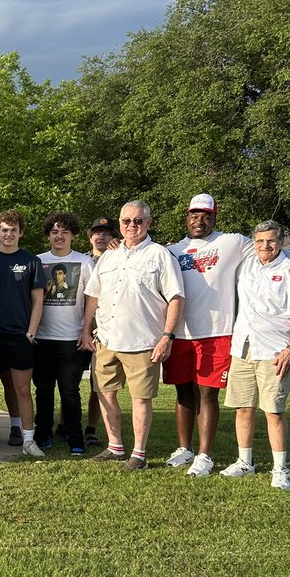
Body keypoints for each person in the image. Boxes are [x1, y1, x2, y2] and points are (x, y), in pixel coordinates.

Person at [163, 193, 290, 477]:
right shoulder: (172, 249)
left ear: (214, 217)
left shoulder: (231, 242)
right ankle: (184, 449)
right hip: (180, 332)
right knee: (182, 392)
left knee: (207, 393)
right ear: (187, 217)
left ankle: (205, 455)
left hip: (217, 331)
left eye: (205, 216)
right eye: (194, 215)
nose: (199, 220)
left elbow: (268, 246)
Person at [79, 200, 184, 470]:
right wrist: (85, 330)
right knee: (104, 393)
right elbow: (93, 295)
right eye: (126, 221)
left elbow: (175, 297)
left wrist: (167, 336)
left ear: (148, 223)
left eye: (138, 221)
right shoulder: (109, 256)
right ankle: (115, 446)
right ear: (120, 223)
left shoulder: (160, 255)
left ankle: (139, 453)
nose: (132, 226)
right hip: (107, 339)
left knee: (140, 398)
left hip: (142, 342)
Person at [219, 221, 290, 491]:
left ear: (282, 241)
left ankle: (280, 469)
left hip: (275, 351)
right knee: (243, 408)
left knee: (273, 411)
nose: (265, 246)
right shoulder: (246, 263)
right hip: (243, 347)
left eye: (271, 241)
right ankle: (245, 462)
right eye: (260, 241)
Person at [0, 210, 45, 458]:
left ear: (21, 232)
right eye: (4, 230)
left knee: (22, 390)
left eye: (13, 230)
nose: (8, 234)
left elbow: (38, 301)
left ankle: (28, 439)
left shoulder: (31, 261)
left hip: (20, 336)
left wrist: (31, 332)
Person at [33, 212, 94, 454]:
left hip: (72, 339)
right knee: (43, 390)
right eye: (55, 232)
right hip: (42, 338)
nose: (60, 236)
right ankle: (43, 433)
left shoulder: (85, 262)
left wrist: (86, 331)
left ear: (72, 235)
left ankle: (75, 436)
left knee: (70, 391)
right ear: (48, 235)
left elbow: (92, 299)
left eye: (65, 232)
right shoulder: (38, 261)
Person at [83, 216, 118, 448]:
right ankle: (66, 425)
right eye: (97, 232)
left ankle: (91, 428)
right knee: (71, 380)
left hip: (105, 331)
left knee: (99, 384)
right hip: (82, 328)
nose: (101, 236)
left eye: (106, 233)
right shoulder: (82, 261)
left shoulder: (119, 257)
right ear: (90, 236)